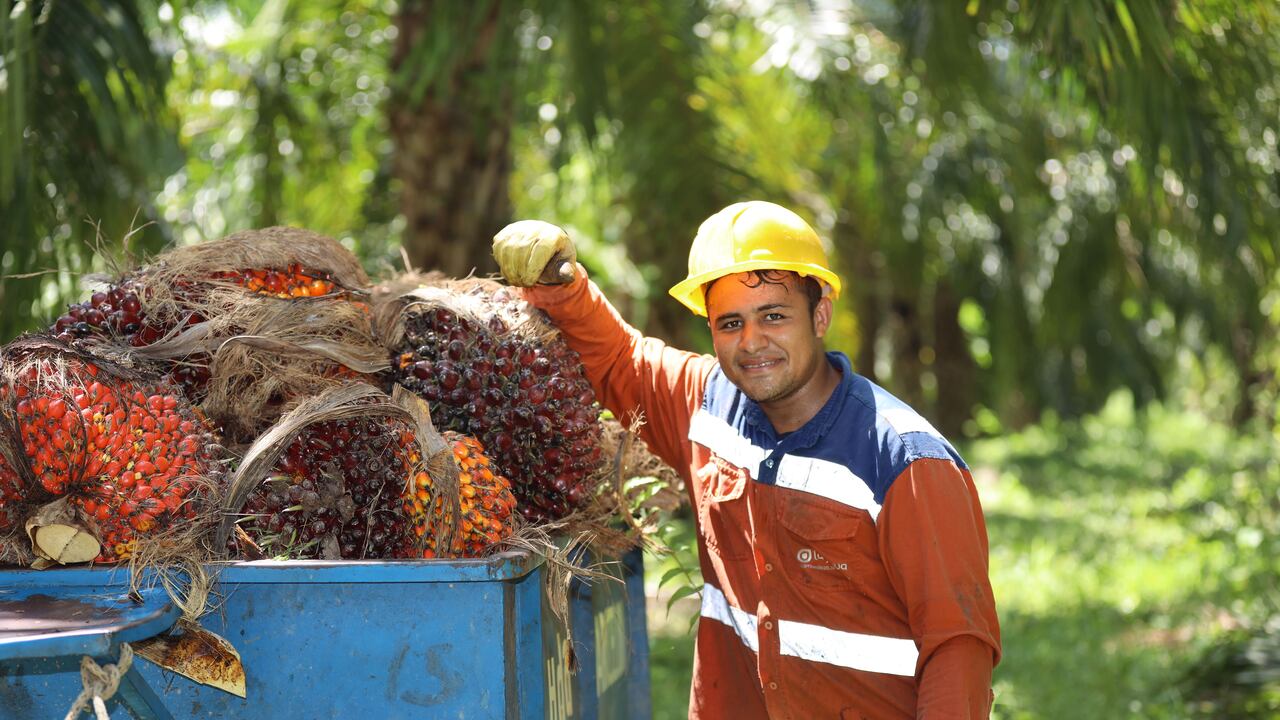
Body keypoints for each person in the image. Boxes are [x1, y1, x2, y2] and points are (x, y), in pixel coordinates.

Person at [493, 201, 1001, 719]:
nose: (752, 342)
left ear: (819, 314)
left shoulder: (906, 461)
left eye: (773, 316)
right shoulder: (707, 408)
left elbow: (958, 647)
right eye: (730, 323)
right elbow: (620, 359)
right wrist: (562, 286)